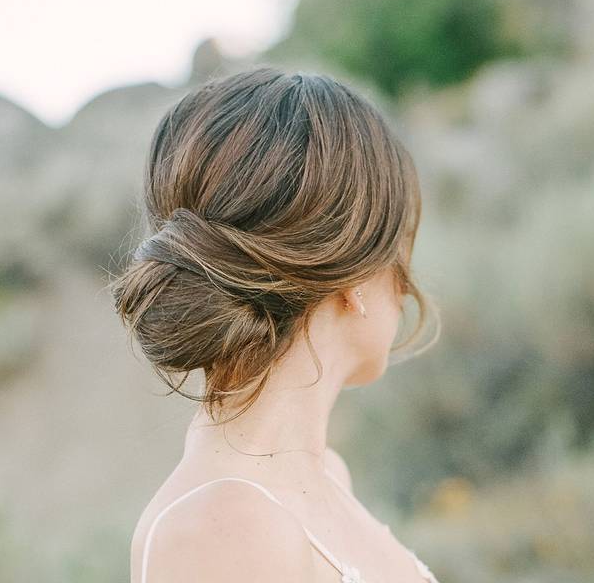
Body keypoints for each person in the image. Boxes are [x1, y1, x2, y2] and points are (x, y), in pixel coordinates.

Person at [110, 66, 442, 582]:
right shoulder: (223, 529)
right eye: (399, 247)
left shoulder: (325, 479)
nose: (407, 284)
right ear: (356, 276)